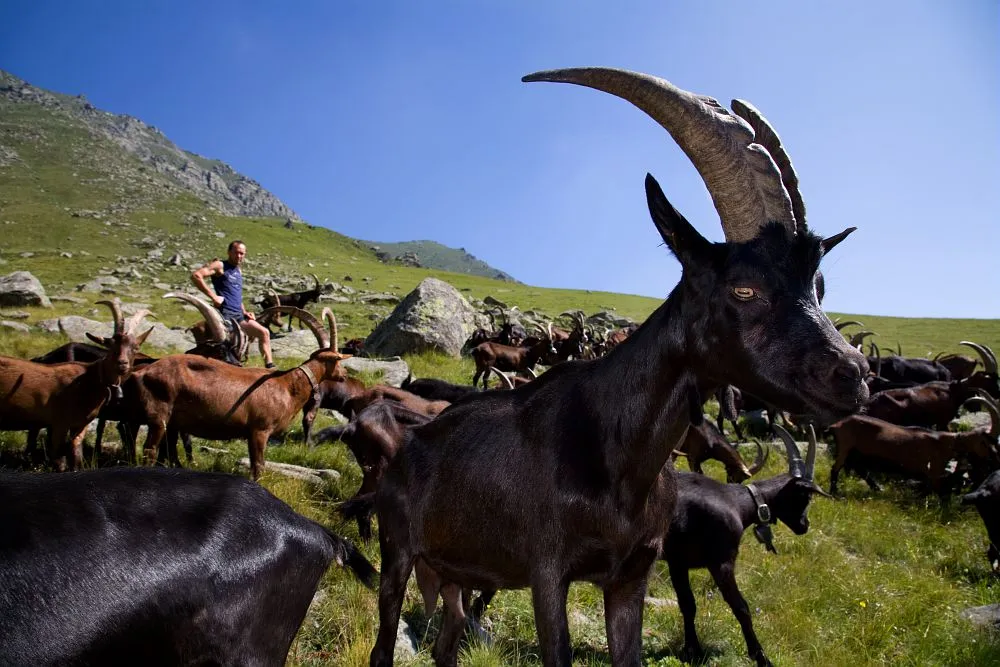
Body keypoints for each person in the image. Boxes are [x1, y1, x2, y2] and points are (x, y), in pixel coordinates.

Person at [191, 239, 276, 369]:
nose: (239, 256)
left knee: (264, 332)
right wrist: (214, 297)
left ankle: (270, 367)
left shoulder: (238, 271)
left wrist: (245, 311)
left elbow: (237, 296)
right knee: (229, 351)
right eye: (236, 252)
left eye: (242, 253)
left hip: (239, 316)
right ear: (229, 252)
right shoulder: (220, 266)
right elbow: (196, 276)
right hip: (225, 315)